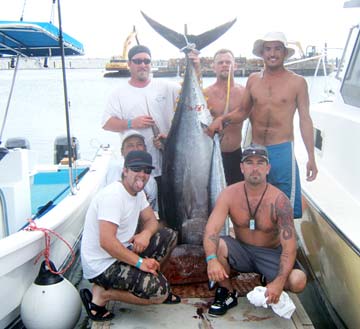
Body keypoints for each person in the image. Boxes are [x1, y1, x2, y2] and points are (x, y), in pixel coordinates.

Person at [207, 32, 318, 218]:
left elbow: (305, 120)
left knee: (285, 205)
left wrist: (311, 157)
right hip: (255, 149)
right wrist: (222, 119)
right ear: (262, 53)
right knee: (254, 201)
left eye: (277, 49)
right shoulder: (253, 80)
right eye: (268, 49)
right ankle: (255, 239)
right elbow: (243, 111)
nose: (272, 53)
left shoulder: (297, 82)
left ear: (284, 53)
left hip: (282, 149)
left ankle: (284, 244)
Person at [203, 144, 307, 317]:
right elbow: (211, 230)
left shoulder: (279, 201)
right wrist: (211, 259)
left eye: (260, 163)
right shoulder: (229, 194)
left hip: (270, 253)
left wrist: (279, 283)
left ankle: (270, 279)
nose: (255, 168)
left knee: (298, 281)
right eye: (249, 163)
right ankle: (228, 292)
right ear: (242, 167)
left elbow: (289, 247)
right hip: (241, 250)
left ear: (268, 168)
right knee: (218, 245)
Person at [80, 150, 180, 322]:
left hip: (122, 252)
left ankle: (153, 278)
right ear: (125, 170)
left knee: (169, 235)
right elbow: (107, 242)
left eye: (147, 171)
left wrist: (145, 234)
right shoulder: (113, 196)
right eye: (136, 169)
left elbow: (151, 220)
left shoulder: (138, 193)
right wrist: (140, 262)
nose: (142, 174)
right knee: (160, 293)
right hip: (102, 264)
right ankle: (104, 295)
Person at [102, 44, 200, 219]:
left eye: (146, 61)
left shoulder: (166, 87)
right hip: (137, 169)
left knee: (172, 211)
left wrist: (194, 65)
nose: (143, 65)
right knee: (138, 213)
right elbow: (107, 123)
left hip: (170, 164)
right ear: (129, 64)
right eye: (138, 61)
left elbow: (196, 94)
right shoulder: (118, 93)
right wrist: (132, 123)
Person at [204, 49, 245, 185]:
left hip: (236, 154)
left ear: (235, 65)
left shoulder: (244, 93)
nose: (224, 65)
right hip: (210, 156)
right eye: (220, 62)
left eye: (228, 62)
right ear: (213, 67)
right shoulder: (205, 94)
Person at [106, 129, 158, 212]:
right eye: (130, 145)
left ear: (145, 149)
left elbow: (153, 215)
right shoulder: (114, 168)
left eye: (139, 144)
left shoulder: (151, 182)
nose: (135, 148)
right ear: (121, 151)